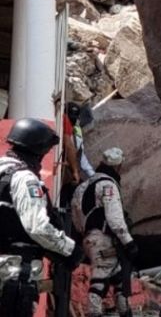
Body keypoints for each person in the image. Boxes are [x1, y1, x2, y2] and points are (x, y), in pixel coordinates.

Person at [0, 118, 84, 316]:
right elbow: (38, 228)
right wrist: (70, 249)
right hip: (13, 273)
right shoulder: (25, 179)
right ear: (37, 150)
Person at [71, 147, 137, 317]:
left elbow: (76, 216)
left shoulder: (83, 186)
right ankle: (94, 312)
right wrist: (128, 241)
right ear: (117, 166)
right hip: (103, 240)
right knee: (100, 278)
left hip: (88, 239)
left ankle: (125, 311)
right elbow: (115, 218)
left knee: (117, 277)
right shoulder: (108, 185)